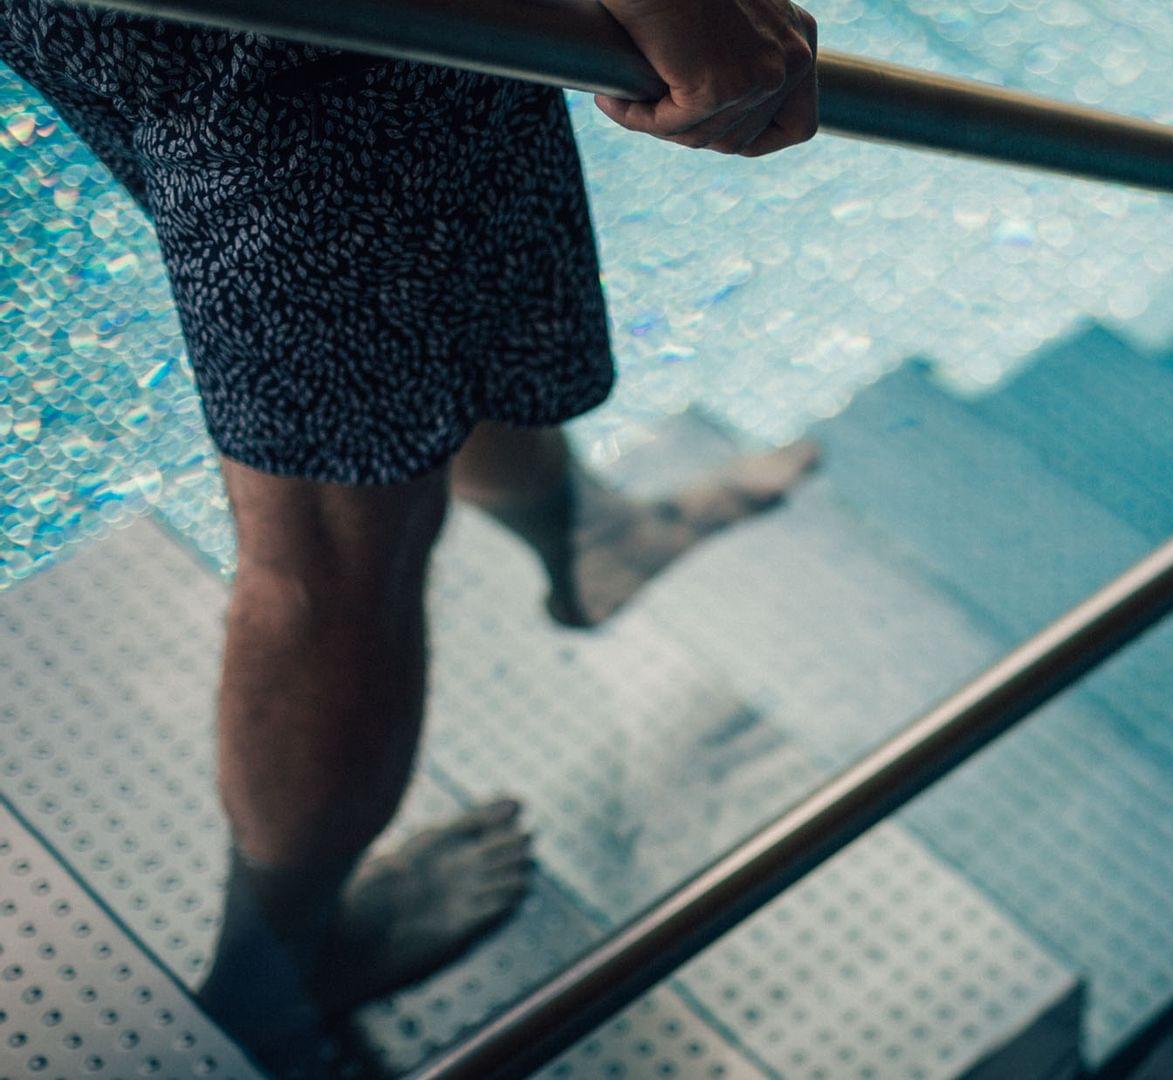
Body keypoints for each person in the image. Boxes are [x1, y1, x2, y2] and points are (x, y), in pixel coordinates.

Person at [0, 0, 822, 1071]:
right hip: (297, 41)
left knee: (458, 293)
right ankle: (277, 974)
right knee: (333, 556)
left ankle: (583, 543)